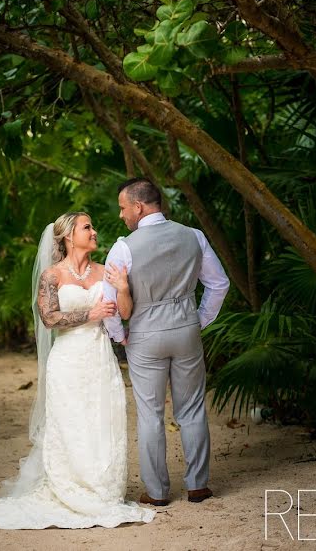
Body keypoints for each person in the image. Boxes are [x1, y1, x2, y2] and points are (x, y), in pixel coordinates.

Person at [0, 212, 155, 529]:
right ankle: (70, 488)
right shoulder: (52, 276)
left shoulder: (105, 271)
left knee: (104, 421)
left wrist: (123, 288)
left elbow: (124, 312)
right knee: (70, 425)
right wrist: (92, 312)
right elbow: (49, 319)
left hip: (100, 358)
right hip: (67, 360)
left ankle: (105, 490)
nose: (94, 231)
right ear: (69, 235)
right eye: (88, 227)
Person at [102, 178, 230, 506]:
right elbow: (219, 284)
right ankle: (198, 485)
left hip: (145, 335)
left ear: (139, 206)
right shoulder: (194, 236)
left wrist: (120, 336)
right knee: (191, 409)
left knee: (150, 414)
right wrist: (198, 320)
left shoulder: (124, 247)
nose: (121, 215)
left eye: (123, 207)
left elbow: (110, 302)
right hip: (186, 330)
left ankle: (157, 492)